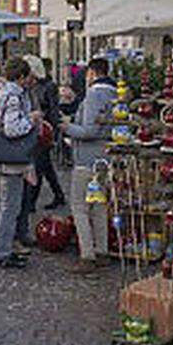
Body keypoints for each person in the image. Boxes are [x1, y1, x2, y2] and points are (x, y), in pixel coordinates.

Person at [60, 57, 118, 274]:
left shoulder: (94, 94)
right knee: (99, 206)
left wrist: (67, 127)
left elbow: (89, 131)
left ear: (92, 74)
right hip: (105, 158)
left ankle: (87, 255)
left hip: (87, 159)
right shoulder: (115, 94)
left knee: (80, 207)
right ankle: (102, 250)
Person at [0, 57, 38, 269]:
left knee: (7, 204)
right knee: (10, 206)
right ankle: (3, 251)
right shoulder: (13, 97)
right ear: (21, 77)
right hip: (12, 158)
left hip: (1, 155)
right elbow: (12, 129)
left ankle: (4, 248)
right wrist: (31, 120)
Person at [25, 55, 67, 210]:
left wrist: (54, 132)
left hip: (44, 130)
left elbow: (53, 110)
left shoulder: (48, 86)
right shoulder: (33, 86)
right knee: (45, 166)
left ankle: (31, 202)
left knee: (39, 166)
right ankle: (59, 195)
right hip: (37, 129)